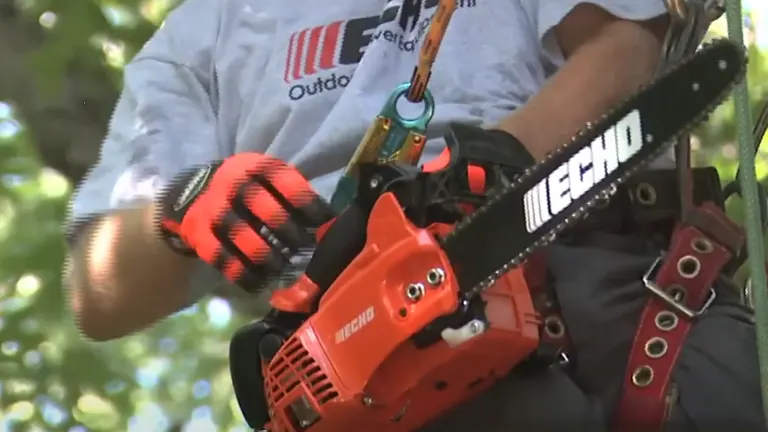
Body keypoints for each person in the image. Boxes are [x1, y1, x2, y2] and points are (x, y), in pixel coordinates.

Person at [64, 0, 764, 430]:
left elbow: (621, 52)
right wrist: (182, 214)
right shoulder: (204, 31)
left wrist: (493, 167)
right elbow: (99, 297)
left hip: (592, 274)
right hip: (362, 354)